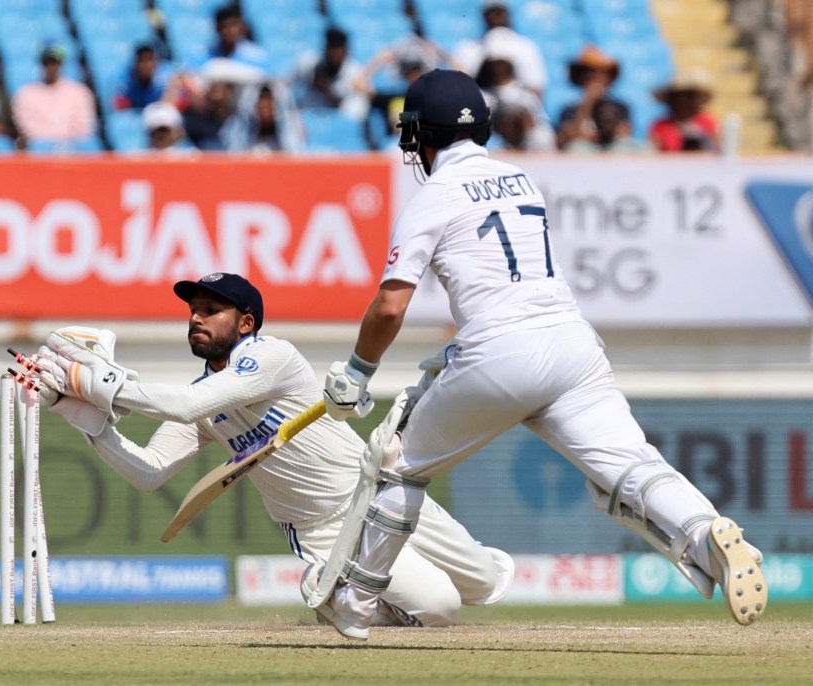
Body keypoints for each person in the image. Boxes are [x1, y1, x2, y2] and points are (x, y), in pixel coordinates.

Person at [317, 69, 767, 640]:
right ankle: (705, 532)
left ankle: (357, 602)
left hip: (498, 352)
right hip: (573, 344)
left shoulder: (432, 196)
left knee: (398, 464)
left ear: (420, 134)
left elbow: (388, 307)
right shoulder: (520, 179)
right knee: (633, 467)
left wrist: (357, 372)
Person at [24, 273, 515, 628]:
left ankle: (373, 588)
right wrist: (87, 420)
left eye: (210, 310)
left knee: (486, 585)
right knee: (442, 608)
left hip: (379, 492)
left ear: (245, 323)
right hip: (322, 530)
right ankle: (333, 592)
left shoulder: (272, 356)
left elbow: (186, 402)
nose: (195, 317)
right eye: (193, 310)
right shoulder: (201, 404)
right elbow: (149, 472)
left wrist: (86, 380)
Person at [11, 42, 97, 146]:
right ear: (41, 64)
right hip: (42, 150)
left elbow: (85, 127)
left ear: (61, 64)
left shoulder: (79, 92)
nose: (51, 67)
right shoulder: (26, 94)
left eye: (55, 62)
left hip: (74, 150)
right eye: (47, 63)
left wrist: (63, 141)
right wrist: (54, 141)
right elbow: (28, 128)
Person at [475, 47, 555, 152]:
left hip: (529, 147)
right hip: (497, 144)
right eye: (495, 64)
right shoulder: (481, 96)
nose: (499, 68)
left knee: (543, 137)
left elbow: (538, 124)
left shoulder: (526, 96)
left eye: (503, 63)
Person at [555, 45, 631, 151]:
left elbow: (624, 134)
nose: (594, 76)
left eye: (601, 71)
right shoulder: (569, 109)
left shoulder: (620, 106)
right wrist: (588, 104)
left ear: (609, 77)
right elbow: (566, 139)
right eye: (588, 71)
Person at [291, 26, 368, 121]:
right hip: (307, 121)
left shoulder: (355, 74)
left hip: (337, 128)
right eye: (330, 49)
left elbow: (356, 115)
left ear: (345, 51)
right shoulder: (308, 62)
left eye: (337, 51)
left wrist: (329, 92)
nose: (333, 55)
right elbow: (286, 87)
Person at [477, 1, 547, 97]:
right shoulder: (470, 48)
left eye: (499, 12)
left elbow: (536, 88)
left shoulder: (526, 47)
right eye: (491, 12)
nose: (495, 17)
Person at [219, 80, 305, 153]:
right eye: (261, 105)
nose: (265, 110)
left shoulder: (289, 130)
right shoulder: (237, 128)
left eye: (270, 105)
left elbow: (295, 156)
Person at [648, 69, 720, 152]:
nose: (683, 101)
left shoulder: (708, 123)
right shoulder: (660, 126)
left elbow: (718, 151)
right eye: (678, 96)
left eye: (688, 96)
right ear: (671, 99)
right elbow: (653, 155)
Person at [564, 99, 651, 153]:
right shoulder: (579, 148)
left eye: (611, 117)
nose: (606, 120)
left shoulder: (636, 149)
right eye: (602, 116)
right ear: (594, 121)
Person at [113, 42, 172, 111]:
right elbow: (118, 105)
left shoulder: (167, 77)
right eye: (142, 60)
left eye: (149, 60)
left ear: (156, 62)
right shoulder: (126, 79)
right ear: (135, 64)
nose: (146, 65)